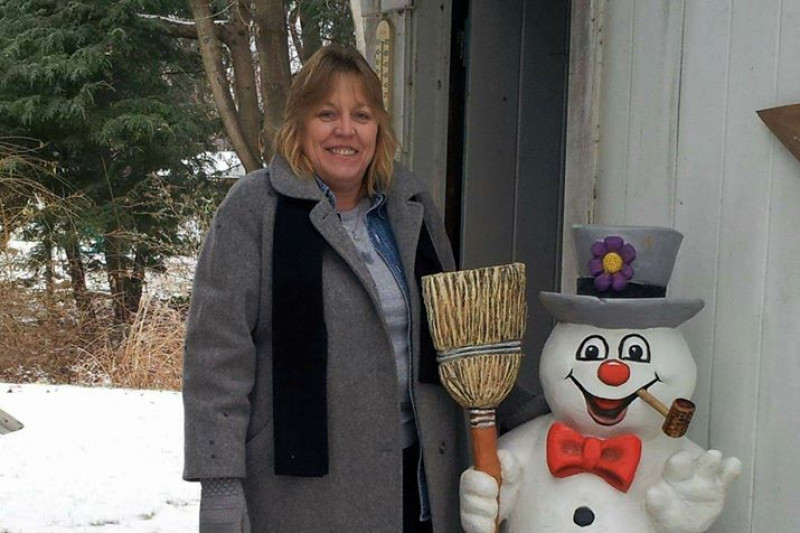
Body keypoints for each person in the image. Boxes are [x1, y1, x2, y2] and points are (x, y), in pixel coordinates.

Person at [182, 45, 468, 532]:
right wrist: (220, 483)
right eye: (327, 114)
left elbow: (458, 332)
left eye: (362, 115)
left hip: (418, 481)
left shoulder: (411, 206)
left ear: (378, 129)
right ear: (299, 124)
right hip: (304, 493)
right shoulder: (255, 209)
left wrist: (543, 405)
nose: (345, 130)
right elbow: (216, 357)